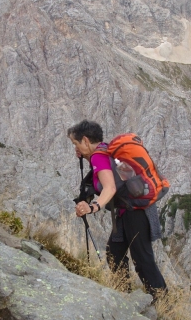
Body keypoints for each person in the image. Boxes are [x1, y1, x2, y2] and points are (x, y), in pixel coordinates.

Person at [67, 120, 167, 298]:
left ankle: (162, 301)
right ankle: (123, 295)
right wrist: (84, 156)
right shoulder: (104, 149)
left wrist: (93, 207)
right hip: (128, 210)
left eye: (76, 143)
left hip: (135, 212)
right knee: (115, 252)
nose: (75, 148)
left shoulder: (98, 157)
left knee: (142, 258)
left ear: (85, 141)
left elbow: (110, 187)